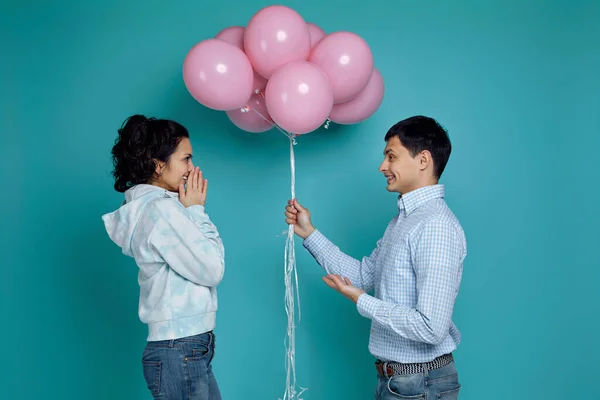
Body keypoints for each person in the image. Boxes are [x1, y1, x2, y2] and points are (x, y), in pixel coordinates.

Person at [285, 115, 466, 399]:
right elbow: (362, 276)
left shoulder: (435, 226)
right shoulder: (403, 221)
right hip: (403, 381)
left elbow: (431, 327)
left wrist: (361, 300)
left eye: (391, 156)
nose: (383, 166)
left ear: (423, 160)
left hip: (420, 383)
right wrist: (309, 232)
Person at [102, 115, 224, 400]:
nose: (192, 169)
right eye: (186, 159)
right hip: (180, 346)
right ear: (158, 164)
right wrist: (196, 211)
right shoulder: (161, 211)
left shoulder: (159, 208)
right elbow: (212, 269)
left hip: (186, 345)